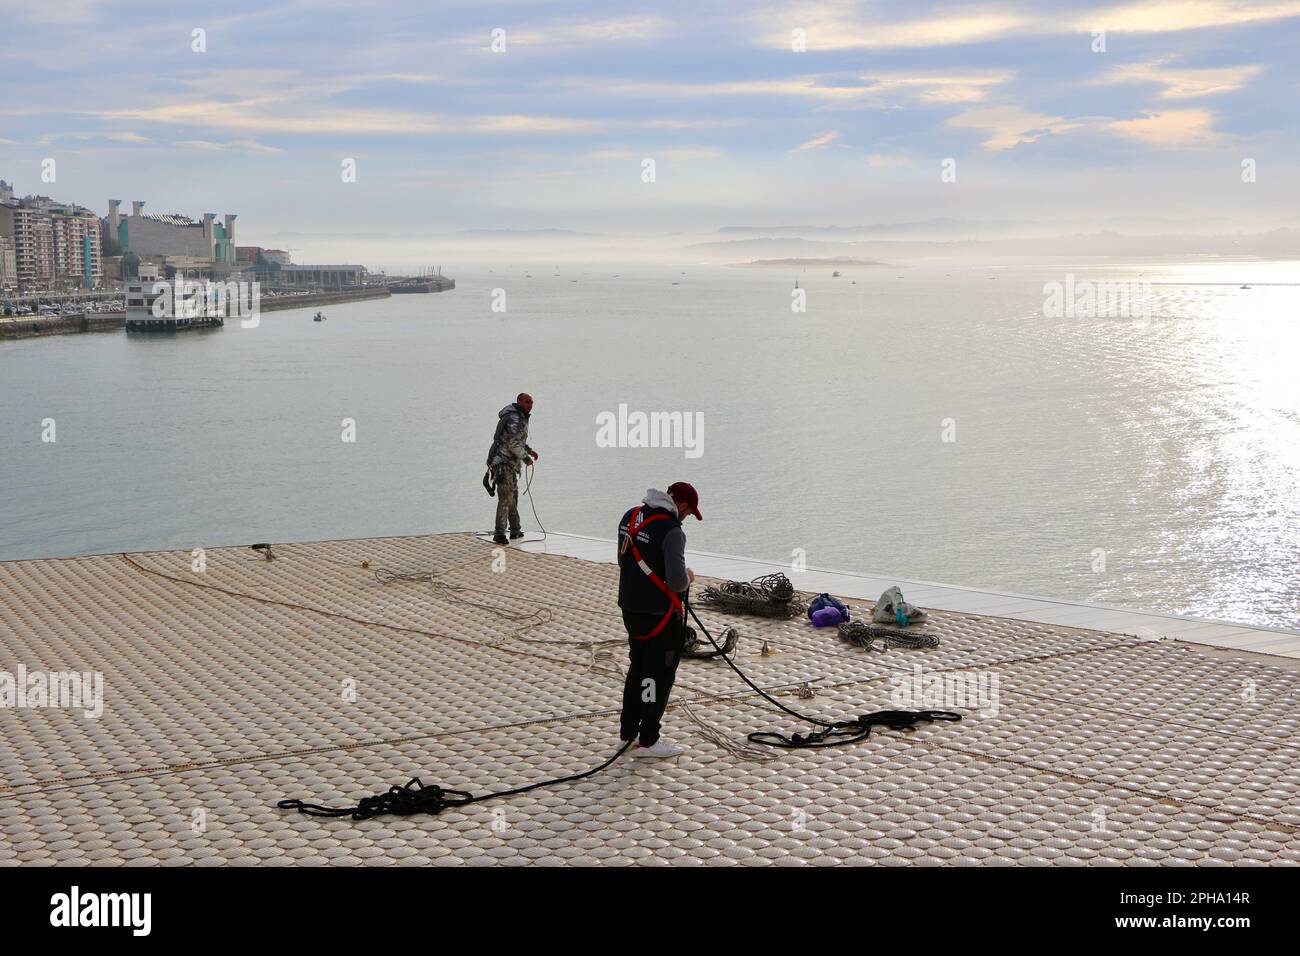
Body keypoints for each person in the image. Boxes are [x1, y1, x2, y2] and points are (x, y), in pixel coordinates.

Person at [616, 482, 701, 757]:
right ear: (683, 506)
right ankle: (649, 739)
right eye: (689, 513)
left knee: (637, 668)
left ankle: (627, 732)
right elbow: (677, 583)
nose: (686, 518)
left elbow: (623, 561)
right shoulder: (672, 531)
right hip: (660, 617)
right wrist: (688, 576)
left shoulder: (629, 517)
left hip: (630, 609)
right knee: (659, 676)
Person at [486, 393, 539, 545]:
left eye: (532, 402)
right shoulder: (515, 418)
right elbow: (512, 444)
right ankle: (500, 533)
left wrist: (528, 450)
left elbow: (518, 439)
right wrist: (526, 458)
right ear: (519, 402)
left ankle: (515, 529)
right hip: (503, 464)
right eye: (527, 402)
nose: (530, 405)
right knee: (506, 498)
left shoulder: (519, 416)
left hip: (510, 465)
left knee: (512, 496)